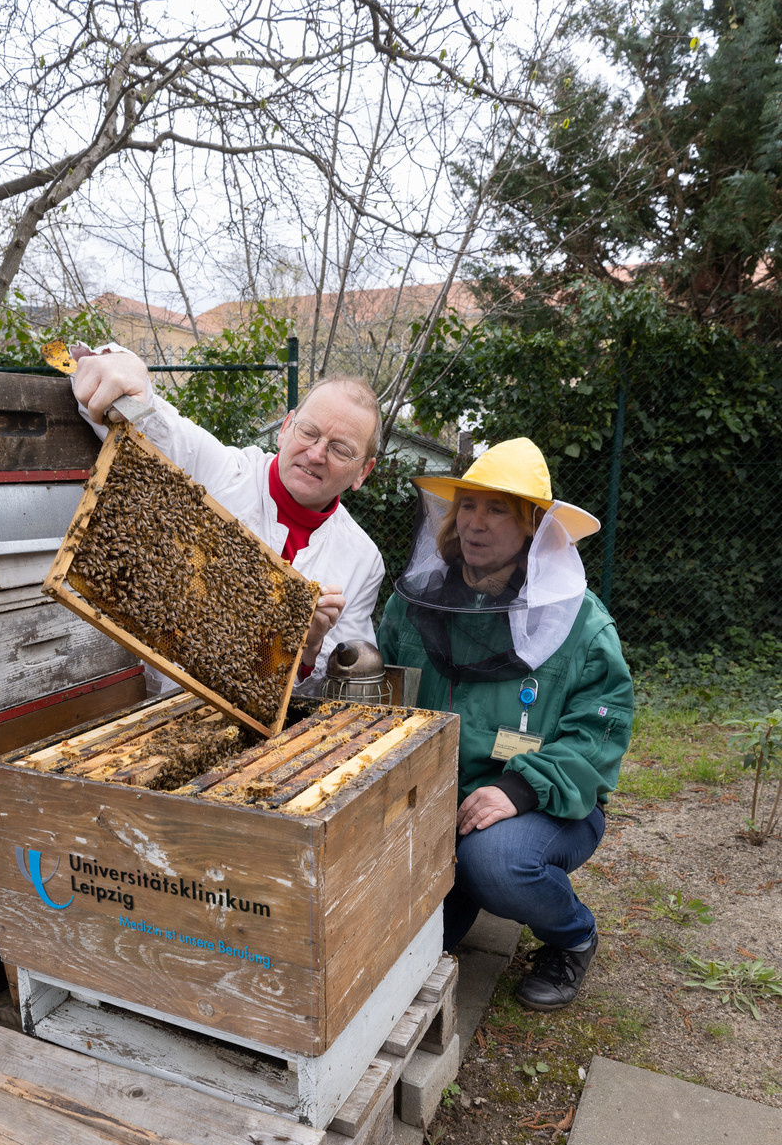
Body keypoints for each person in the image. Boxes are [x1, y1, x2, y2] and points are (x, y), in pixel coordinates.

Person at [378, 437, 634, 1011]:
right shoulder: (413, 605)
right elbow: (386, 708)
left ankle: (572, 937)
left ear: (534, 529)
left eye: (498, 509)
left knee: (494, 861)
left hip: (547, 802)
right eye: (468, 505)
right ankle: (458, 887)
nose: (476, 522)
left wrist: (517, 787)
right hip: (433, 804)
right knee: (395, 958)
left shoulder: (581, 625)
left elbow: (598, 739)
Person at [71, 343, 384, 681]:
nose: (316, 454)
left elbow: (347, 688)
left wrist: (308, 649)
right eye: (308, 432)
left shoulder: (363, 560)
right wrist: (125, 375)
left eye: (340, 449)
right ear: (285, 429)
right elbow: (155, 427)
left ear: (363, 472)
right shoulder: (222, 472)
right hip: (165, 707)